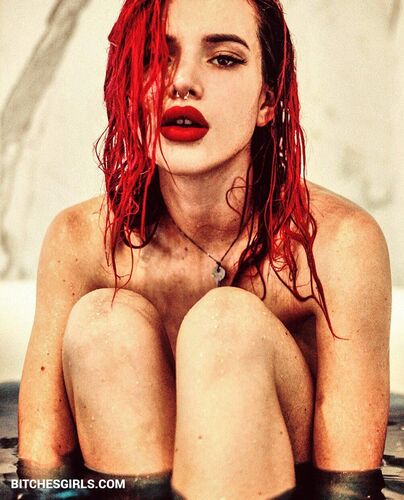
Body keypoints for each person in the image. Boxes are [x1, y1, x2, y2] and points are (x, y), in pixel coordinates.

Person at [18, 0, 391, 498]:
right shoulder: (80, 242)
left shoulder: (339, 244)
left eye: (224, 59)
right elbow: (42, 477)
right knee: (102, 323)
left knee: (226, 326)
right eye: (156, 56)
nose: (182, 82)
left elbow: (350, 488)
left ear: (267, 100)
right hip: (129, 472)